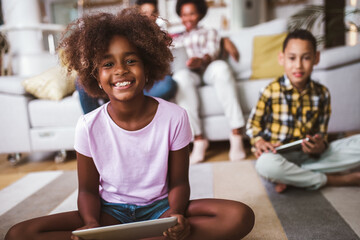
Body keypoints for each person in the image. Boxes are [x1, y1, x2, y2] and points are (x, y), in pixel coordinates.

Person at [5, 9, 254, 240]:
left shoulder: (175, 116)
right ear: (96, 77)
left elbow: (179, 183)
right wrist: (91, 224)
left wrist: (175, 213)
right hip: (110, 213)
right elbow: (88, 192)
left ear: (148, 67)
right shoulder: (88, 125)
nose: (121, 70)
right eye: (108, 64)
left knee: (239, 216)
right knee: (19, 233)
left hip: (161, 208)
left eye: (131, 60)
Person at [246, 29, 360, 193]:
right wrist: (259, 142)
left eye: (306, 58)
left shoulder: (322, 93)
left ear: (316, 58)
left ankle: (293, 177)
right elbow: (252, 125)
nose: (298, 65)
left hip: (310, 157)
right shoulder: (269, 91)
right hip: (279, 156)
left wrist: (320, 145)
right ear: (281, 58)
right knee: (265, 165)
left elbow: (322, 134)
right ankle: (333, 179)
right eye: (292, 58)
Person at [172, 0, 246, 164]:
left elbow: (213, 52)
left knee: (221, 67)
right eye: (184, 14)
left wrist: (202, 59)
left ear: (200, 14)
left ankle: (236, 134)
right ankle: (199, 139)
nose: (188, 18)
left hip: (208, 69)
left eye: (191, 13)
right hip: (190, 74)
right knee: (180, 78)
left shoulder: (210, 31)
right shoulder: (177, 37)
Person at [75, 0, 177, 114]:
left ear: (157, 14)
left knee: (168, 84)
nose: (120, 70)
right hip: (120, 85)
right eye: (144, 13)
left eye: (152, 13)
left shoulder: (164, 37)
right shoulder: (121, 35)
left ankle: (127, 97)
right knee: (79, 81)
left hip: (152, 82)